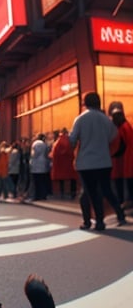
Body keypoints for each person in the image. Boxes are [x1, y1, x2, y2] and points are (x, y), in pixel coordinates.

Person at [69, 91, 126, 231]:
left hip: (85, 162)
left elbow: (72, 140)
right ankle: (119, 214)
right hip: (104, 161)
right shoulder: (106, 120)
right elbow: (114, 137)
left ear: (85, 103)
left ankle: (89, 221)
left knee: (88, 192)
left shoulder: (80, 119)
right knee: (106, 190)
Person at [109, 106, 133, 206]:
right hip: (124, 158)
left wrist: (113, 152)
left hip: (124, 157)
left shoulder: (122, 127)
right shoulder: (125, 126)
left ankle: (126, 201)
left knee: (127, 180)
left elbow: (121, 144)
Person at [50, 128, 78, 199]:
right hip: (69, 163)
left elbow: (54, 153)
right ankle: (72, 193)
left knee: (61, 179)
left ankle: (61, 193)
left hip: (60, 164)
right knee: (72, 178)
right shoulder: (69, 140)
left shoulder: (58, 141)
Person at [29, 133, 50, 200]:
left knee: (36, 182)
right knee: (43, 181)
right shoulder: (45, 145)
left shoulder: (35, 144)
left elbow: (34, 154)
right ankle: (43, 195)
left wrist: (31, 162)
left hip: (36, 165)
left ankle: (37, 196)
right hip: (44, 165)